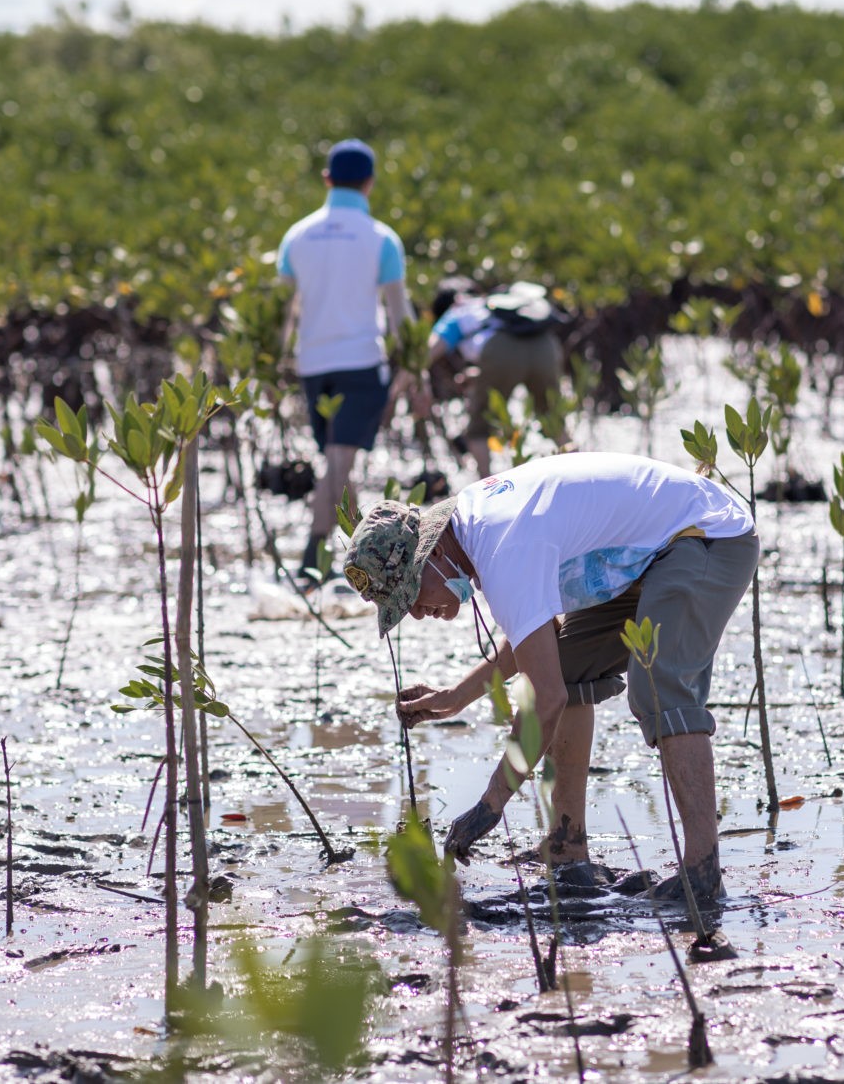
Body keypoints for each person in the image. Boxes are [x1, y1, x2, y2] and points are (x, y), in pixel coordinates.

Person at [340, 452, 757, 905]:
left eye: (412, 596)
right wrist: (458, 697)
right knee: (570, 662)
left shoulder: (503, 548)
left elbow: (546, 698)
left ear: (433, 553)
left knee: (659, 685)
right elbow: (541, 640)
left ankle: (702, 872)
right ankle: (568, 850)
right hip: (652, 552)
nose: (418, 613)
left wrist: (491, 803)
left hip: (707, 535)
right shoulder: (478, 529)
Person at [275, 138, 413, 576]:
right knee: (339, 462)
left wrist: (273, 367)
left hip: (312, 368)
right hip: (361, 365)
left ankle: (358, 563)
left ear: (327, 179)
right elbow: (400, 315)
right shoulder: (382, 240)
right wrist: (413, 370)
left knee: (338, 460)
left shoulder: (296, 235)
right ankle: (313, 559)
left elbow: (282, 311)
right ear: (370, 184)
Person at [428, 279, 568, 478]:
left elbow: (425, 355)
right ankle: (585, 478)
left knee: (478, 430)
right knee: (553, 420)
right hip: (545, 345)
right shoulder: (495, 304)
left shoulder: (455, 314)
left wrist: (395, 392)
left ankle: (486, 488)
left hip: (501, 351)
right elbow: (517, 357)